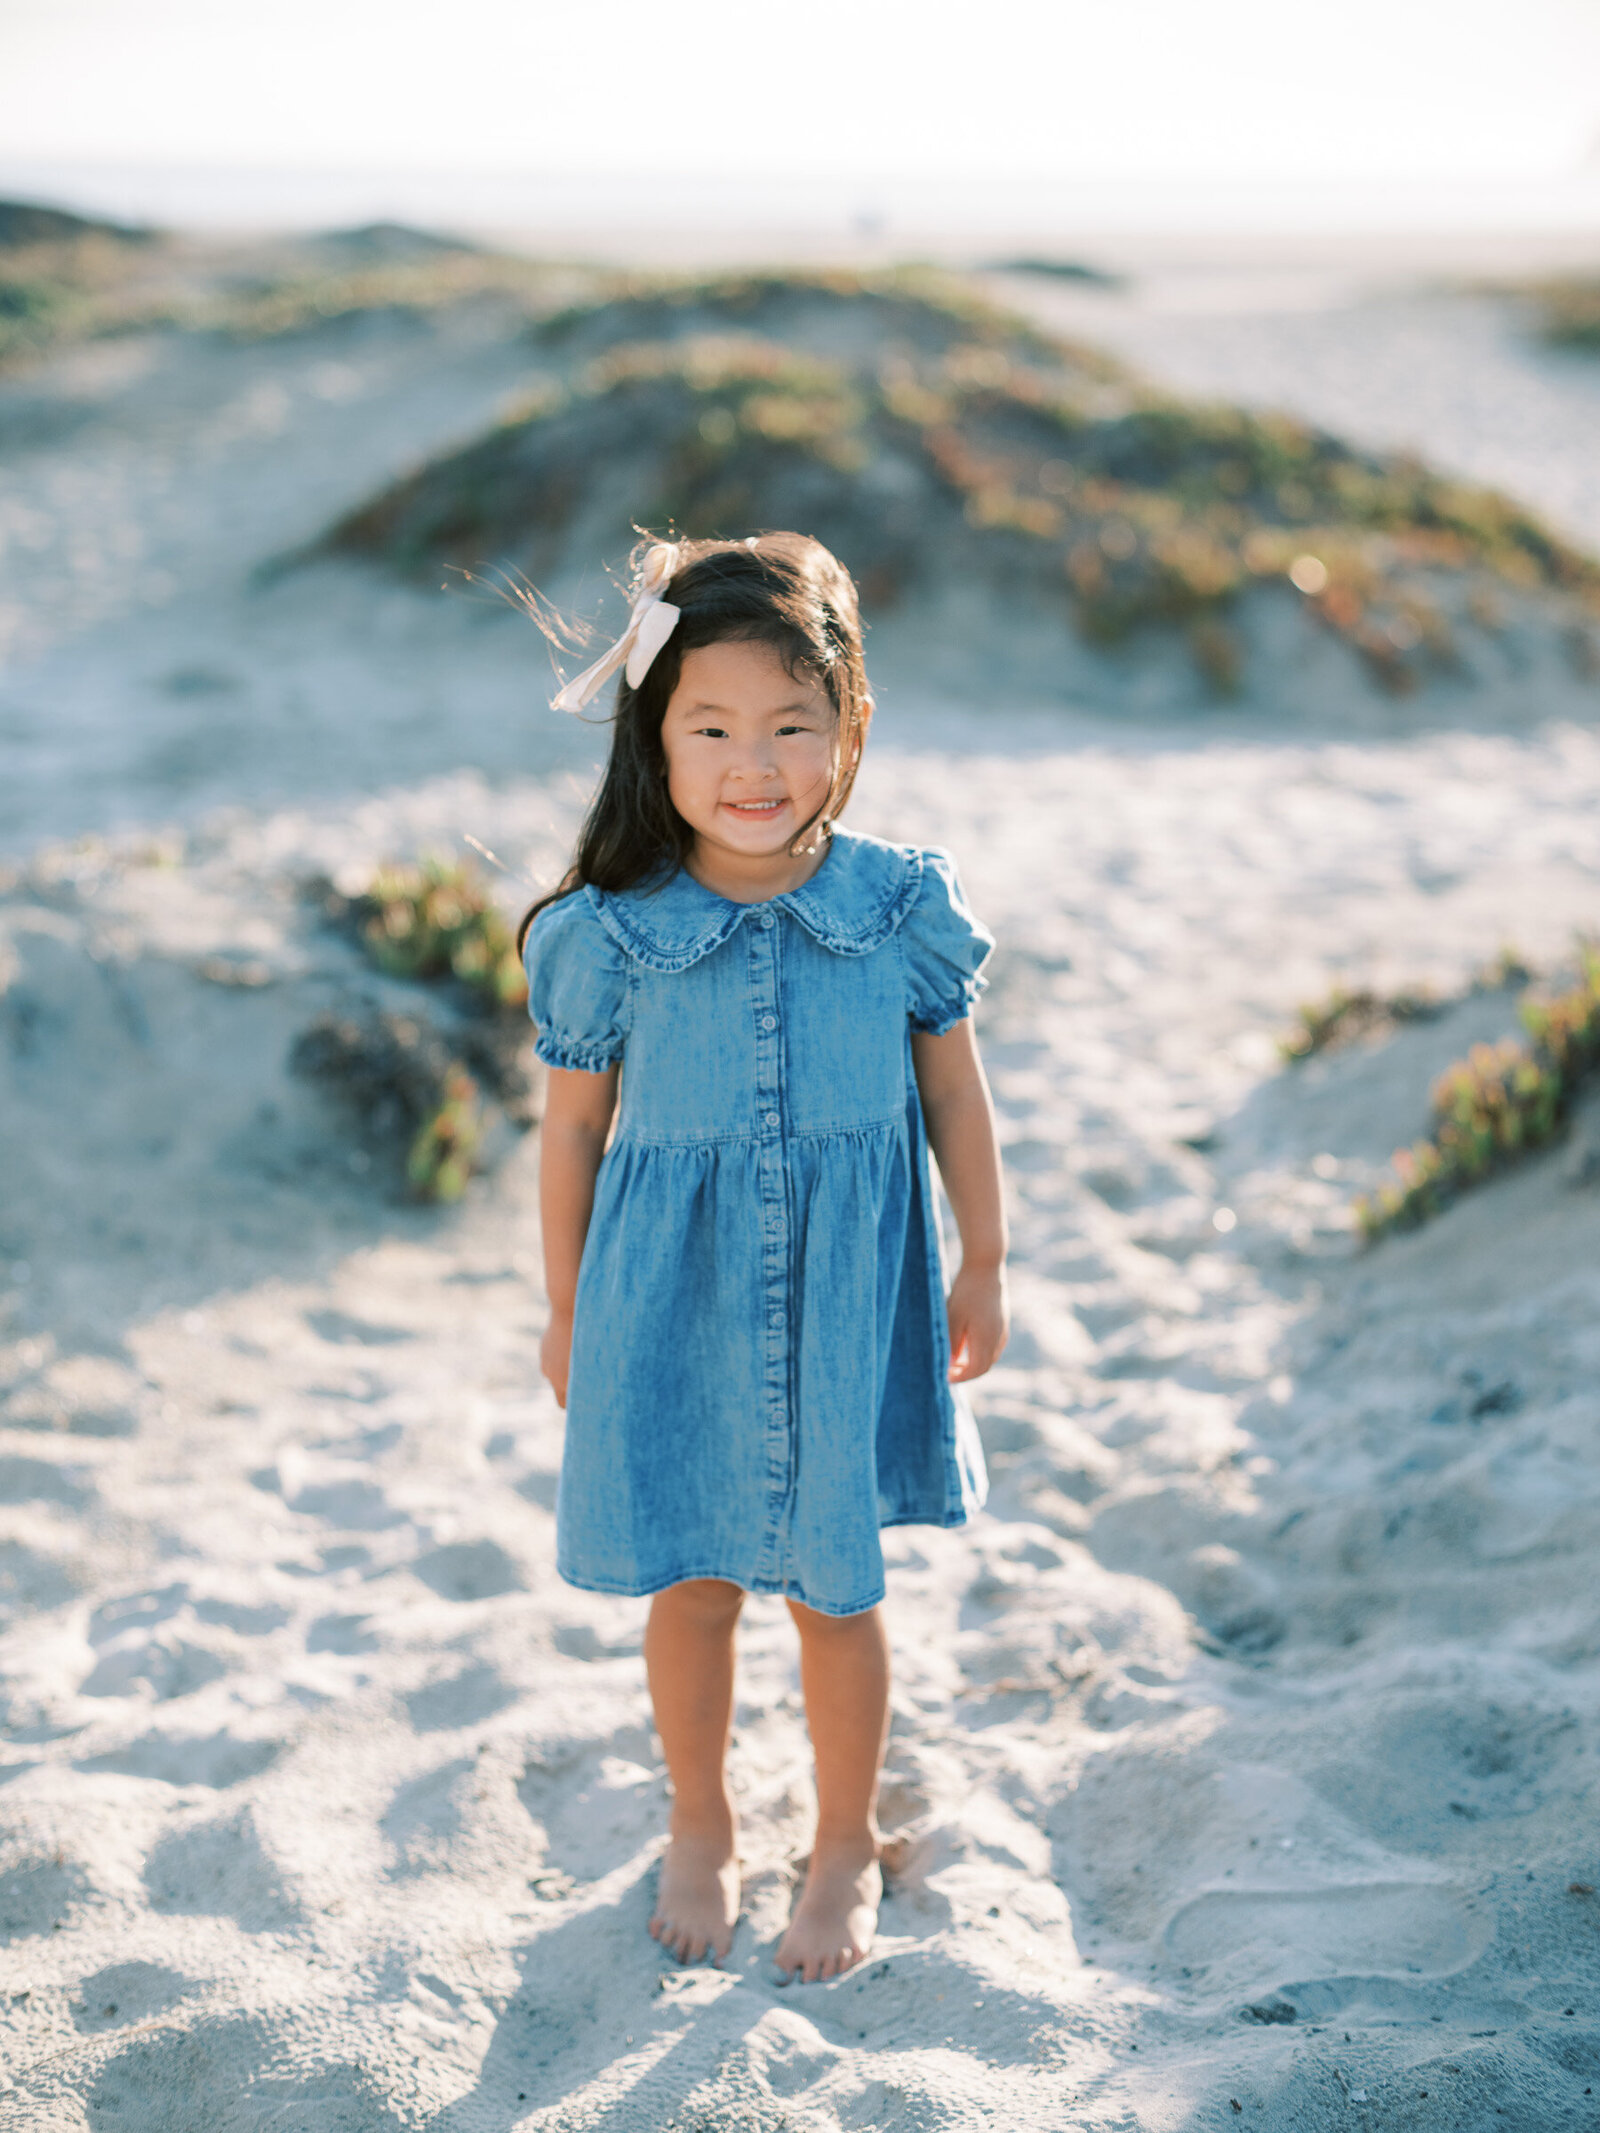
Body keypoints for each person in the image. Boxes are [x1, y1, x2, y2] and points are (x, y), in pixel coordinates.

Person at [520, 532, 1008, 1984]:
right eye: (713, 728)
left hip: (850, 1304)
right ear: (655, 737)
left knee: (838, 1589)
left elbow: (955, 1097)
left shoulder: (897, 907)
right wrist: (565, 1308)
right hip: (669, 1305)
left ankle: (845, 1838)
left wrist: (985, 1260)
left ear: (851, 723)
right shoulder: (613, 934)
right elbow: (572, 1135)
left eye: (793, 725)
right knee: (691, 1583)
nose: (755, 763)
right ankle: (701, 1820)